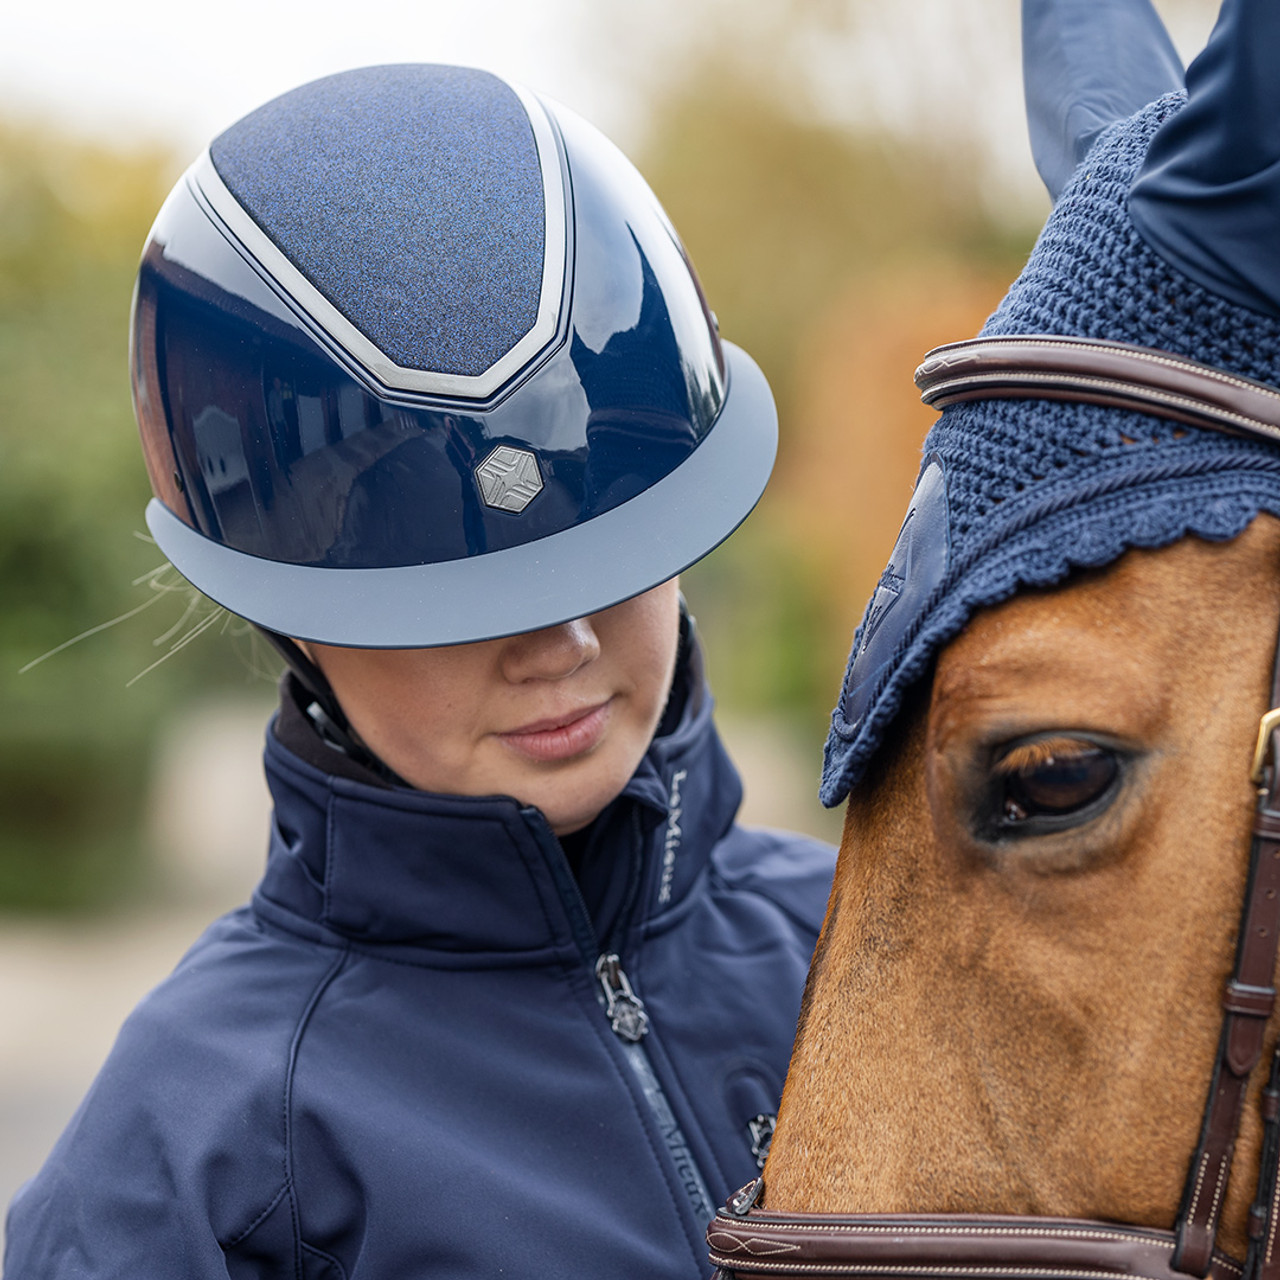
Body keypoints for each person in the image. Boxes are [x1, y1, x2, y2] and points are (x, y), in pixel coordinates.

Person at [2, 64, 836, 1278]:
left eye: (613, 560)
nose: (561, 648)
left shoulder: (866, 941)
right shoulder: (191, 1153)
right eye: (454, 606)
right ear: (296, 623)